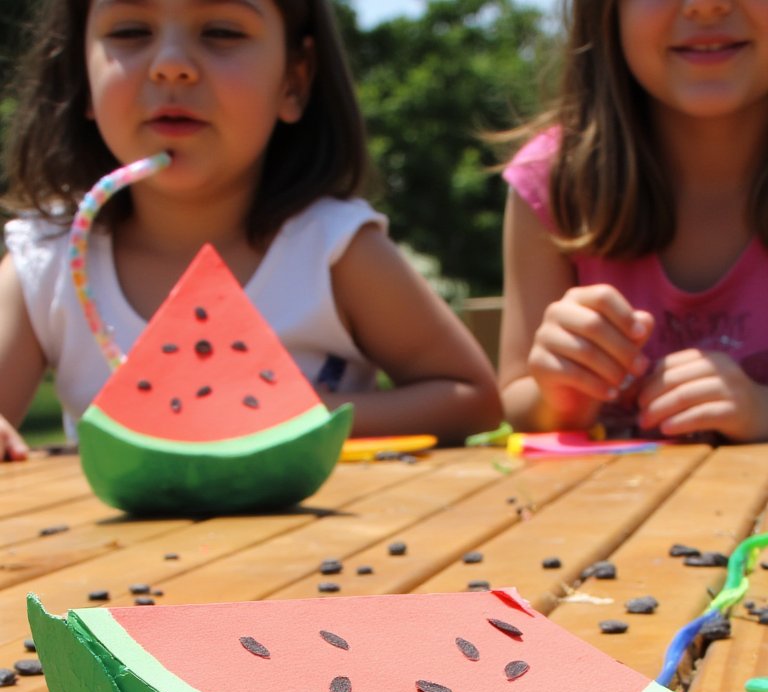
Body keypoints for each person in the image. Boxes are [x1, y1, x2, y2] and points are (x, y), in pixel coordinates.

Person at [0, 0, 501, 462]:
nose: (171, 64)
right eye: (130, 31)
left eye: (221, 31)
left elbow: (471, 398)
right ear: (80, 79)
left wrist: (291, 418)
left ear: (293, 81)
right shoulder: (45, 262)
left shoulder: (332, 249)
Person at [499, 0, 768, 443]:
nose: (705, 6)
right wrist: (560, 395)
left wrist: (762, 410)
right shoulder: (553, 182)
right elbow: (515, 400)